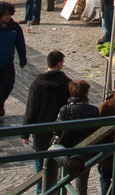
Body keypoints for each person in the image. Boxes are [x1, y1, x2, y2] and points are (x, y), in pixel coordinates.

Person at [24, 50, 70, 194]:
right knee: (60, 168)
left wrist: (25, 133)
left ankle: (41, 192)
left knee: (40, 169)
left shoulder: (37, 83)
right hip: (60, 133)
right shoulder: (67, 83)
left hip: (41, 132)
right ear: (59, 64)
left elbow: (31, 109)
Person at [51, 79, 102, 195]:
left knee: (62, 181)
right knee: (82, 184)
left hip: (67, 149)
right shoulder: (93, 110)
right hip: (85, 152)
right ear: (86, 94)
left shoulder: (65, 109)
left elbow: (56, 130)